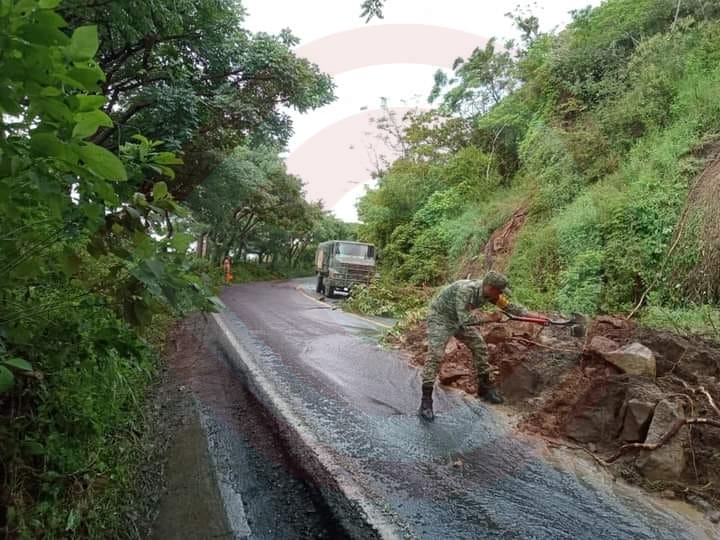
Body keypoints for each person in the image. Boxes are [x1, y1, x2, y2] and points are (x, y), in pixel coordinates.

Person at [419, 270, 530, 421]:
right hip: (441, 319)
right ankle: (426, 400)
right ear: (490, 287)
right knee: (435, 355)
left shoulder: (490, 294)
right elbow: (465, 319)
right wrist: (490, 317)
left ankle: (484, 388)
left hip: (458, 319)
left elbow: (508, 307)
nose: (500, 295)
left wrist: (533, 316)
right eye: (499, 291)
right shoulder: (466, 290)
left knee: (479, 346)